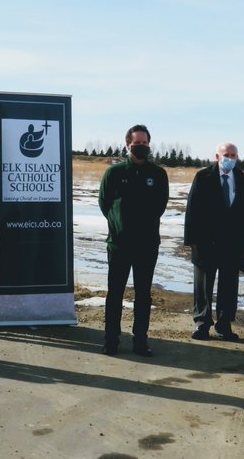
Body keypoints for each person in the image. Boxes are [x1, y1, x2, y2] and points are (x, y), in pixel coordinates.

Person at [99, 124, 169, 356]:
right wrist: (119, 225)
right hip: (119, 244)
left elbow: (160, 205)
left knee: (143, 294)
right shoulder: (114, 173)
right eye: (137, 143)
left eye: (144, 143)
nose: (141, 147)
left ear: (150, 144)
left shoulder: (158, 174)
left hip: (147, 244)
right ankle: (111, 340)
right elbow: (105, 204)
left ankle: (141, 340)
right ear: (128, 145)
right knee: (115, 293)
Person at [183, 142, 244, 342]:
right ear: (217, 156)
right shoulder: (203, 177)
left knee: (229, 286)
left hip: (232, 245)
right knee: (203, 286)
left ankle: (224, 325)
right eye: (226, 155)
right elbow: (192, 211)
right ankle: (202, 323)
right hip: (206, 243)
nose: (230, 158)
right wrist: (192, 241)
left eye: (233, 155)